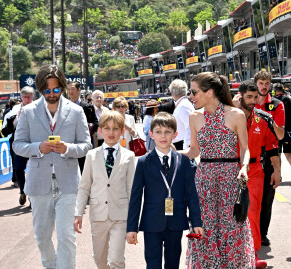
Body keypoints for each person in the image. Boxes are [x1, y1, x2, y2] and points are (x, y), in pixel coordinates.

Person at [13, 64, 92, 269]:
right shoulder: (29, 112)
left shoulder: (76, 111)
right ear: (40, 90)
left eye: (56, 89)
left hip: (68, 184)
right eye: (46, 90)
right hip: (39, 183)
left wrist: (67, 148)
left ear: (63, 88)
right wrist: (37, 147)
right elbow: (17, 145)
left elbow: (86, 145)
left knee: (67, 236)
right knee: (42, 236)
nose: (51, 94)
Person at [184, 72, 255, 268]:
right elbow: (194, 150)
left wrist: (244, 169)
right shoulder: (194, 116)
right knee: (203, 224)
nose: (191, 96)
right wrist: (172, 152)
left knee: (231, 225)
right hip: (204, 178)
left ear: (210, 92)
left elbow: (245, 149)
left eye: (194, 92)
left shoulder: (236, 114)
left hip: (230, 178)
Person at [126, 112, 203, 269]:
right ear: (151, 134)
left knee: (173, 264)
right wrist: (131, 228)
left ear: (175, 135)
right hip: (151, 223)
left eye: (168, 132)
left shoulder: (184, 161)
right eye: (159, 131)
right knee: (153, 264)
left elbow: (191, 194)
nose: (163, 136)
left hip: (176, 222)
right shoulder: (143, 162)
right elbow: (135, 196)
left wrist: (196, 222)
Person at [74, 111, 136, 269]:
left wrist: (133, 220)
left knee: (116, 259)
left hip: (120, 215)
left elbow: (131, 188)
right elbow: (84, 186)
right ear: (100, 131)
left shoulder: (129, 156)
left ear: (122, 132)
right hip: (98, 214)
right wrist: (78, 213)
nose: (111, 132)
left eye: (116, 128)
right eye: (106, 128)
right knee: (100, 259)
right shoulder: (91, 155)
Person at [234, 80, 279, 269]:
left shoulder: (263, 118)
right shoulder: (228, 116)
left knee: (252, 213)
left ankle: (252, 256)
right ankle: (233, 255)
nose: (253, 101)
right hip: (230, 170)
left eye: (255, 97)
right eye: (249, 97)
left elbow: (272, 146)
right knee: (231, 215)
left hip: (255, 172)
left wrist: (277, 170)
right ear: (240, 96)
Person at [254, 70, 283, 247]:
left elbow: (279, 136)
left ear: (270, 84)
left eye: (267, 83)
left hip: (271, 154)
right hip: (252, 154)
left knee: (267, 198)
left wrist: (268, 120)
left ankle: (262, 233)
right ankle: (250, 230)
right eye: (261, 83)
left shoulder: (277, 105)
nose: (264, 87)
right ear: (256, 84)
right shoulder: (248, 101)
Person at [2, 87, 35, 205]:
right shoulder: (14, 110)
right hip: (19, 144)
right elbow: (5, 131)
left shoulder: (38, 108)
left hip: (34, 144)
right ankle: (22, 191)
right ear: (21, 97)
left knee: (33, 169)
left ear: (33, 97)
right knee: (18, 168)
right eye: (25, 97)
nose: (27, 99)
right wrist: (16, 119)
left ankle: (32, 196)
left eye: (30, 97)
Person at [67, 81, 98, 173]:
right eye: (68, 89)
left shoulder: (88, 107)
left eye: (72, 89)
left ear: (79, 90)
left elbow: (95, 123)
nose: (70, 92)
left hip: (82, 143)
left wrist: (86, 128)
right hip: (68, 143)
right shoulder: (63, 106)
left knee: (84, 169)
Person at [169, 79, 195, 150]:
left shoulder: (182, 105)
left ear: (172, 93)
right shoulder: (183, 104)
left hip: (182, 144)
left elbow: (189, 126)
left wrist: (186, 147)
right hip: (181, 143)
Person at [274, 83, 291, 166]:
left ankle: (278, 175)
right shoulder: (287, 99)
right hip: (288, 130)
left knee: (278, 154)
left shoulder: (273, 101)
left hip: (277, 130)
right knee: (288, 153)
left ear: (275, 91)